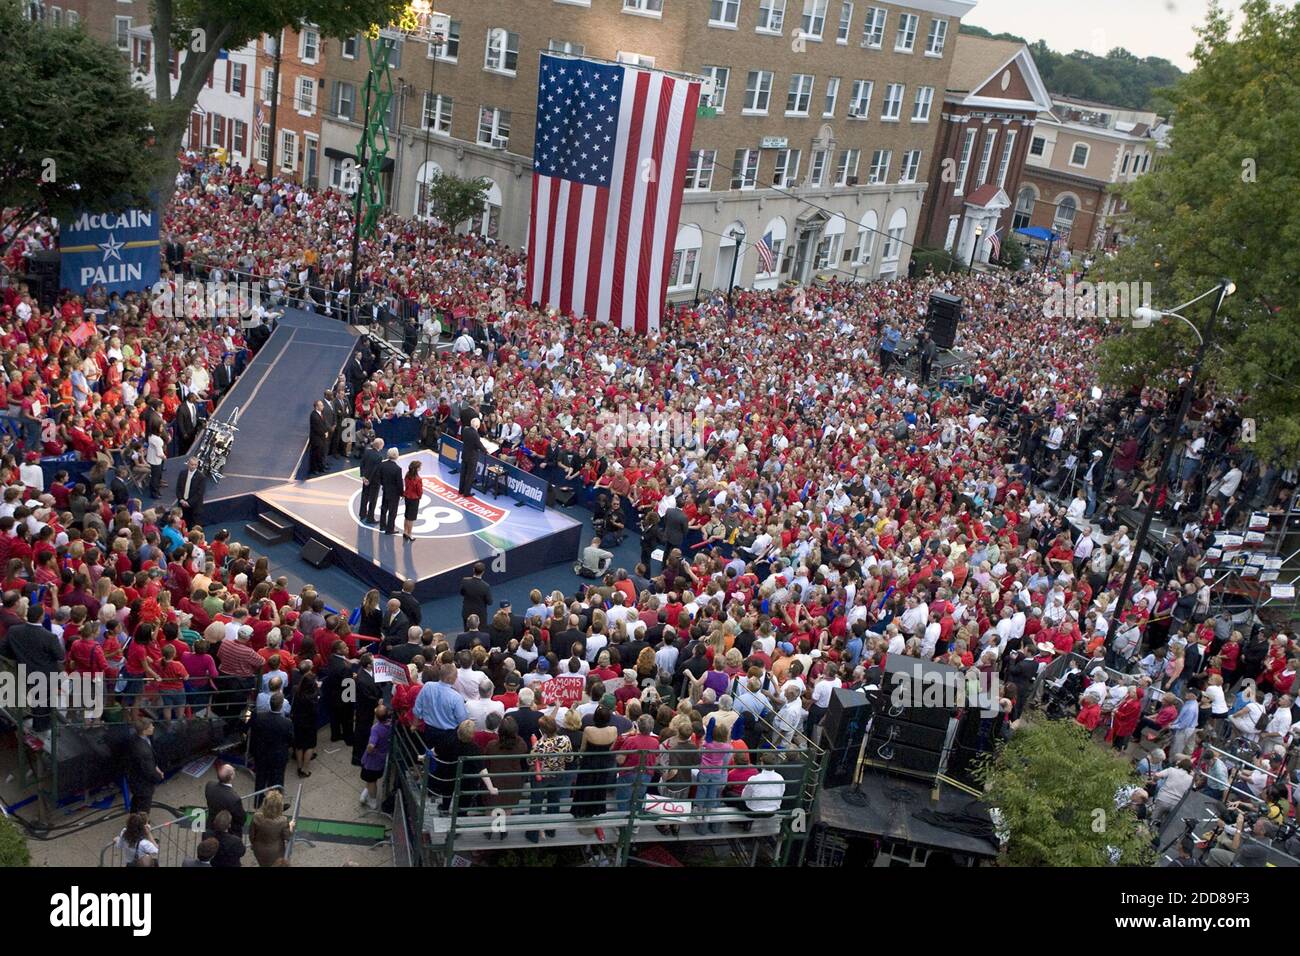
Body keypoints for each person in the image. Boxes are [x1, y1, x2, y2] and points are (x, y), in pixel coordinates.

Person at [249, 692, 294, 801]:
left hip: (261, 754)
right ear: (281, 706)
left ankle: (258, 801)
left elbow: (253, 735)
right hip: (278, 757)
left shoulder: (259, 718)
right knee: (277, 781)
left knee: (260, 779)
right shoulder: (286, 723)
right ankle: (275, 804)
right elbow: (291, 740)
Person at [124, 718, 164, 815]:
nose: (153, 727)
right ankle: (141, 826)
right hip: (142, 783)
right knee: (144, 807)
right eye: (151, 726)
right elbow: (149, 771)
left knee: (137, 800)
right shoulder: (143, 751)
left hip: (135, 778)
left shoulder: (136, 738)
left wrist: (156, 767)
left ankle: (133, 816)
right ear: (145, 730)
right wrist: (159, 777)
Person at [360, 702, 393, 810]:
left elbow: (371, 745)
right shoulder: (391, 725)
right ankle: (367, 791)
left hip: (372, 761)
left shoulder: (376, 729)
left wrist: (370, 751)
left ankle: (372, 801)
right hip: (382, 758)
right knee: (372, 779)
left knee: (371, 780)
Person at [249, 788, 295, 867]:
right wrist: (290, 826)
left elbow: (251, 834)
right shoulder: (283, 821)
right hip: (275, 852)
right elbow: (287, 836)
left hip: (258, 849)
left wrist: (253, 844)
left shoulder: (256, 817)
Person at [204, 763, 247, 836]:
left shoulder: (209, 785)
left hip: (211, 826)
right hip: (229, 832)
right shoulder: (234, 799)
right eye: (233, 771)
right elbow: (241, 819)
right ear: (231, 777)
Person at [293, 670, 319, 777]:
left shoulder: (296, 691)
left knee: (299, 745)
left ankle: (299, 766)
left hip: (298, 722)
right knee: (309, 746)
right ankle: (305, 769)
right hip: (310, 723)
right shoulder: (314, 696)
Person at [358, 437, 385, 524]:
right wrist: (368, 479)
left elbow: (362, 464)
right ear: (380, 446)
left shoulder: (367, 451)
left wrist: (363, 477)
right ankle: (370, 518)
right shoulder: (379, 457)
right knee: (373, 500)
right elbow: (375, 470)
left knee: (364, 497)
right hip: (374, 481)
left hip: (365, 479)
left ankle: (362, 514)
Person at [377, 448, 404, 535]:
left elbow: (379, 477)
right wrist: (402, 493)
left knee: (384, 508)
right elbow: (399, 483)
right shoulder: (397, 469)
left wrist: (384, 484)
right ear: (396, 456)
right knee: (392, 512)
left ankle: (382, 525)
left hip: (385, 490)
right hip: (394, 494)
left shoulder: (382, 464)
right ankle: (390, 529)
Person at [175, 456, 207, 527]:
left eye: (195, 465)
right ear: (188, 464)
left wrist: (189, 502)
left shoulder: (201, 477)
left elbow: (199, 493)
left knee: (193, 527)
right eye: (192, 464)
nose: (193, 466)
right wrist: (181, 500)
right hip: (182, 505)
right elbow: (178, 488)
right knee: (182, 525)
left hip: (194, 507)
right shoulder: (182, 473)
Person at [459, 562, 492, 630]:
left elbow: (462, 593)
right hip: (480, 615)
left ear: (473, 570)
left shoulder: (465, 581)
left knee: (467, 631)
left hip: (467, 612)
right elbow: (489, 602)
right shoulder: (485, 586)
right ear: (483, 572)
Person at [458, 415, 484, 498]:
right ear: (477, 425)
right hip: (472, 457)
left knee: (463, 473)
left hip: (465, 454)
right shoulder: (475, 434)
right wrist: (485, 450)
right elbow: (478, 445)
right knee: (470, 475)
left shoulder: (465, 430)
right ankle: (467, 492)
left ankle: (461, 490)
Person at [401, 459, 424, 542]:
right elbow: (419, 491)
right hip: (414, 499)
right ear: (417, 468)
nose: (421, 468)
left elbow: (406, 486)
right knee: (411, 518)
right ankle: (409, 534)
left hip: (407, 497)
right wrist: (419, 496)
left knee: (407, 516)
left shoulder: (407, 475)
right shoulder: (418, 479)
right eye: (420, 467)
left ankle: (405, 531)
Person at [308, 400, 330, 476]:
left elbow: (324, 424)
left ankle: (321, 467)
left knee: (321, 453)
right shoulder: (313, 415)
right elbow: (317, 428)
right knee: (315, 454)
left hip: (322, 437)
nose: (323, 406)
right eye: (321, 405)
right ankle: (314, 469)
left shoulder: (321, 413)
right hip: (316, 438)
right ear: (317, 407)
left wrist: (326, 431)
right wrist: (324, 433)